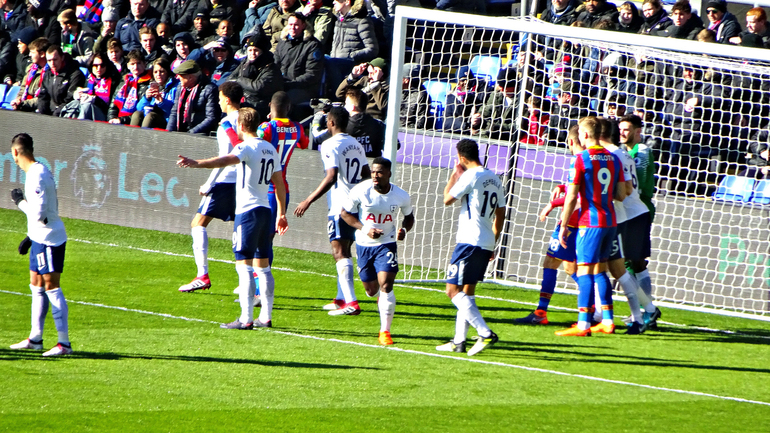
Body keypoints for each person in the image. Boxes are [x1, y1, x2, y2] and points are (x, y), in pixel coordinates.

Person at [177, 107, 288, 329]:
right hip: (266, 211)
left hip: (247, 213)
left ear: (240, 126)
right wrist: (282, 213)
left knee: (244, 265)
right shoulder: (269, 148)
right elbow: (280, 184)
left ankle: (246, 319)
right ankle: (265, 317)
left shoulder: (245, 148)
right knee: (263, 267)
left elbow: (223, 160)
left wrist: (196, 163)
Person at [232, 90, 308, 305]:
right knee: (265, 241)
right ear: (289, 109)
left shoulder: (266, 128)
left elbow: (255, 141)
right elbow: (304, 143)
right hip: (282, 187)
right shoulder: (298, 128)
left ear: (269, 108)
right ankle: (254, 284)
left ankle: (256, 290)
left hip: (264, 188)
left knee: (261, 243)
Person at [293, 107, 370, 316]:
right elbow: (366, 173)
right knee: (344, 250)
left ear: (331, 123)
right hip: (356, 205)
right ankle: (340, 298)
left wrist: (308, 200)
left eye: (327, 120)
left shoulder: (329, 144)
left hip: (339, 205)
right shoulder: (356, 144)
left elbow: (331, 176)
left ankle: (352, 303)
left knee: (339, 252)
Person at [555, 116, 626, 337]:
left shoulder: (582, 159)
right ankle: (607, 321)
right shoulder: (614, 159)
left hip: (590, 222)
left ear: (584, 135)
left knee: (584, 269)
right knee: (600, 270)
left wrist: (564, 225)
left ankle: (583, 324)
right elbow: (621, 195)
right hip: (610, 221)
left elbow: (571, 197)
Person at [436, 139, 504, 356]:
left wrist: (454, 176)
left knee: (452, 290)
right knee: (468, 292)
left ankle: (485, 333)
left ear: (462, 158)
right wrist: (494, 239)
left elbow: (447, 199)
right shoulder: (494, 177)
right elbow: (501, 212)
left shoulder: (470, 176)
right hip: (485, 241)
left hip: (468, 242)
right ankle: (459, 341)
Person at [8, 133, 72, 357]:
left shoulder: (37, 175)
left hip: (49, 239)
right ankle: (35, 338)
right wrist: (30, 236)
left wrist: (19, 202)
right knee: (35, 283)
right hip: (39, 236)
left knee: (51, 285)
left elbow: (38, 213)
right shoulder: (35, 172)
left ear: (16, 151)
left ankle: (64, 343)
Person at [340, 158, 414, 345]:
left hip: (387, 244)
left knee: (386, 285)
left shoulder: (401, 195)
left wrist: (404, 230)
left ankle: (384, 332)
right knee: (371, 290)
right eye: (373, 172)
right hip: (364, 244)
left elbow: (409, 217)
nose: (375, 175)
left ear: (389, 174)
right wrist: (365, 229)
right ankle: (380, 300)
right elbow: (345, 213)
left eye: (379, 172)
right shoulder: (361, 190)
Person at [179, 82, 243, 293]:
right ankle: (248, 279)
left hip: (225, 180)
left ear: (226, 99)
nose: (217, 102)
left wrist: (209, 183)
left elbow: (225, 158)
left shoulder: (226, 123)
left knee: (198, 223)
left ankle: (202, 275)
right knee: (241, 228)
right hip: (244, 181)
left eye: (219, 98)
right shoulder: (248, 119)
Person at [515, 125, 582, 325]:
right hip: (584, 223)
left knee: (552, 263)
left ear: (570, 141)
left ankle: (542, 313)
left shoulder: (579, 160)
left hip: (572, 222)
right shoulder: (590, 159)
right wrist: (561, 187)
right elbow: (575, 188)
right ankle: (595, 310)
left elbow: (576, 196)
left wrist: (551, 204)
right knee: (572, 269)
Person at [596, 117, 646, 334]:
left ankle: (636, 315)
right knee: (610, 269)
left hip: (613, 218)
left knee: (615, 269)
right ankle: (601, 314)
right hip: (619, 217)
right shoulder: (622, 153)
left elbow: (623, 192)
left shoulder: (611, 155)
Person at [618, 114, 662, 328]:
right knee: (630, 263)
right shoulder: (624, 152)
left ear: (637, 131)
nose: (622, 133)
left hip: (638, 210)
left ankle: (646, 310)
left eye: (626, 129)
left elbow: (641, 186)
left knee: (632, 262)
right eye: (620, 129)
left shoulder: (642, 152)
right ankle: (643, 310)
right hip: (629, 211)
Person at [273, 13, 324, 106]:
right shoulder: (282, 42)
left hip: (303, 88)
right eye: (290, 24)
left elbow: (312, 75)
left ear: (303, 25)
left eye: (296, 25)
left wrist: (290, 84)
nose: (292, 27)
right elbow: (274, 65)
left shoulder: (313, 45)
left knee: (280, 102)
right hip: (282, 84)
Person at [229, 33, 283, 119]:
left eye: (256, 50)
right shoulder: (245, 63)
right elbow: (230, 79)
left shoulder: (271, 68)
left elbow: (258, 87)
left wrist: (239, 80)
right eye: (250, 50)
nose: (252, 53)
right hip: (244, 102)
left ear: (263, 51)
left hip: (261, 108)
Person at [167, 59, 221, 135]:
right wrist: (168, 133)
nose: (177, 78)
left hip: (200, 134)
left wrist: (190, 133)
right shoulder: (180, 88)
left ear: (190, 78)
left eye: (181, 75)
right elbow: (174, 112)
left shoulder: (210, 90)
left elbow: (211, 118)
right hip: (184, 132)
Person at [36, 44, 86, 116]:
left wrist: (55, 115)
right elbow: (43, 96)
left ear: (62, 57)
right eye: (49, 61)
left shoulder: (75, 74)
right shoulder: (48, 74)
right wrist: (43, 114)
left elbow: (70, 99)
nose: (52, 63)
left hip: (66, 113)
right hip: (51, 112)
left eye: (55, 59)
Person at [108, 49, 153, 124]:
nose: (135, 67)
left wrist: (121, 120)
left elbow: (140, 112)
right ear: (128, 66)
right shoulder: (124, 82)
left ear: (145, 64)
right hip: (117, 122)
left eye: (138, 63)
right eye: (132, 64)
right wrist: (112, 119)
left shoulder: (149, 83)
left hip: (135, 122)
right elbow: (113, 106)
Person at [133, 57, 178, 128]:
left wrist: (162, 102)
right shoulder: (152, 86)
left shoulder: (175, 87)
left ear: (167, 72)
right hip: (150, 118)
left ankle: (142, 138)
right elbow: (139, 108)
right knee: (137, 114)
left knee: (151, 117)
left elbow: (174, 111)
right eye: (155, 72)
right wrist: (146, 98)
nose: (158, 74)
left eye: (162, 71)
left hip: (167, 121)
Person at [10, 37, 50, 112]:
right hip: (24, 105)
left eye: (32, 52)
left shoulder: (49, 73)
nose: (30, 55)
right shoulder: (31, 69)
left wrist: (23, 103)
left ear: (42, 54)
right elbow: (23, 88)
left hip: (38, 110)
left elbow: (42, 98)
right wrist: (18, 100)